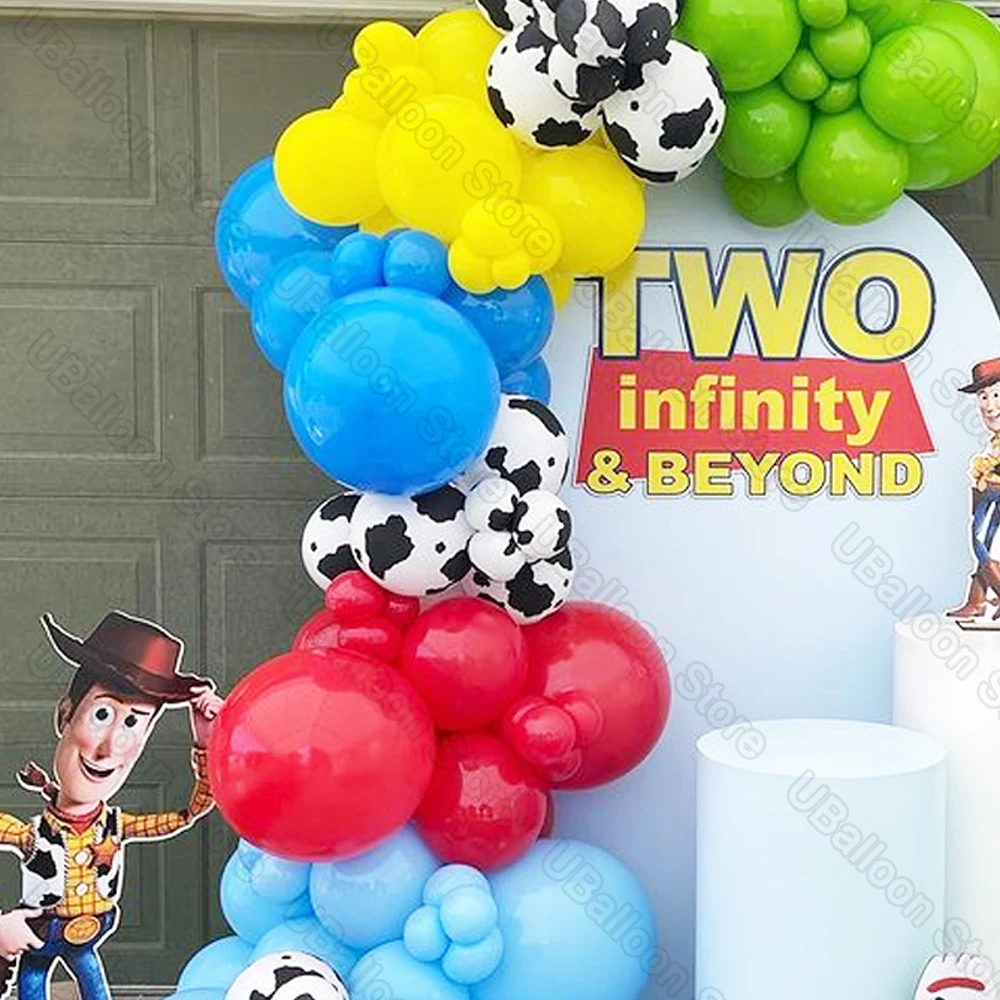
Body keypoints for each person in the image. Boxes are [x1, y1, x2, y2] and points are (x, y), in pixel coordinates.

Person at [0, 610, 223, 1000]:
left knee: (94, 986)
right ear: (65, 715)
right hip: (39, 933)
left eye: (133, 723)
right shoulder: (31, 835)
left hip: (89, 932)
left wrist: (207, 742)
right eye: (101, 714)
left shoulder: (117, 827)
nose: (108, 749)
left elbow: (189, 813)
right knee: (32, 985)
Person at [949, 359, 1000, 620]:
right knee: (987, 545)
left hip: (995, 497)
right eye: (983, 396)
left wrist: (988, 480)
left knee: (981, 543)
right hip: (990, 498)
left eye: (997, 395)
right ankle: (977, 601)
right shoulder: (995, 441)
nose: (989, 407)